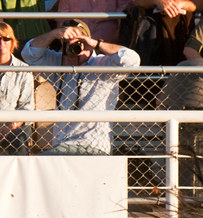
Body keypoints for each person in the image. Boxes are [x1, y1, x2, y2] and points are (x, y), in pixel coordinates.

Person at [22, 19, 141, 155]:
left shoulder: (103, 65)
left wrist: (96, 44)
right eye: (67, 45)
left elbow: (132, 61)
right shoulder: (59, 64)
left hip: (93, 143)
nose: (72, 50)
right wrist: (54, 34)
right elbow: (29, 54)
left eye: (78, 45)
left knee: (40, 163)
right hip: (61, 143)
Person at [0, 21, 33, 155]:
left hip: (13, 125)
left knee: (19, 136)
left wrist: (9, 128)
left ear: (12, 42)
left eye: (6, 38)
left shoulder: (24, 70)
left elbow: (27, 107)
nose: (2, 42)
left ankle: (21, 175)